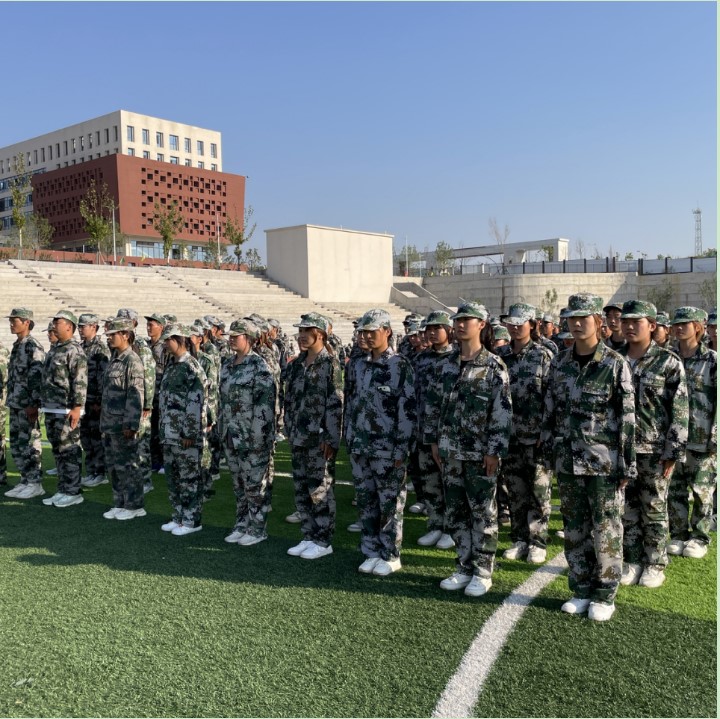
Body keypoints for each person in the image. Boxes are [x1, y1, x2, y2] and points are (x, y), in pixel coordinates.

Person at [541, 293, 636, 622]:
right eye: (572, 318)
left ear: (598, 321)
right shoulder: (559, 363)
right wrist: (547, 454)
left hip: (603, 464)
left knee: (606, 529)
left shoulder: (614, 363)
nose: (578, 323)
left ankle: (605, 594)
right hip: (567, 461)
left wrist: (626, 465)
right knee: (575, 528)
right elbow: (550, 412)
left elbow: (627, 418)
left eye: (584, 317)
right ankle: (580, 588)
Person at [425, 302, 511, 597]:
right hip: (450, 451)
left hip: (479, 454)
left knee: (483, 513)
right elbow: (434, 407)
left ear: (481, 325)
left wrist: (494, 451)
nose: (461, 325)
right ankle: (463, 566)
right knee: (457, 512)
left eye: (468, 320)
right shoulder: (445, 365)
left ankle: (483, 571)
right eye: (458, 320)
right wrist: (434, 442)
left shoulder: (493, 366)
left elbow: (502, 413)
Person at [617, 300, 688, 589]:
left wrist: (674, 451)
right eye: (625, 321)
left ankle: (655, 563)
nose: (629, 326)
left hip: (654, 451)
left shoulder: (668, 362)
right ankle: (632, 560)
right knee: (627, 509)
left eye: (636, 321)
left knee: (654, 509)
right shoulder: (614, 359)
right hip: (621, 450)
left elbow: (680, 409)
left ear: (652, 325)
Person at [345, 309, 416, 576]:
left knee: (390, 504)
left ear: (387, 331)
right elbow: (351, 403)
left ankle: (390, 554)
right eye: (362, 332)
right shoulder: (358, 364)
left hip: (387, 449)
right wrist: (349, 437)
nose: (365, 336)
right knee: (366, 501)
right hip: (360, 446)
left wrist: (402, 449)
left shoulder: (399, 365)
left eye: (371, 331)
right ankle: (371, 550)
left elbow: (407, 411)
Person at [496, 303, 554, 565]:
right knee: (515, 491)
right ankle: (519, 539)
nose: (515, 327)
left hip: (536, 437)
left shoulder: (543, 355)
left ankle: (537, 541)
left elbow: (552, 397)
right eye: (511, 323)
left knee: (539, 492)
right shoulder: (500, 357)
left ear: (532, 325)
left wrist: (546, 430)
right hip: (510, 436)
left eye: (521, 323)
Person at [284, 313, 344, 560]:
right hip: (298, 436)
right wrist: (288, 427)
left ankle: (323, 540)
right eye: (300, 331)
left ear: (319, 334)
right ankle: (308, 535)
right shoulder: (296, 364)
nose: (301, 336)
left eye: (306, 332)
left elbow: (336, 403)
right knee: (301, 489)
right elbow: (289, 400)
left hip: (318, 439)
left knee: (320, 491)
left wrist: (331, 438)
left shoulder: (330, 364)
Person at [219, 319, 276, 546]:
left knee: (254, 485)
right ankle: (242, 524)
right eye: (231, 336)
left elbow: (265, 407)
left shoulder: (259, 366)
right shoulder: (227, 364)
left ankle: (257, 528)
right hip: (231, 434)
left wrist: (258, 438)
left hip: (252, 437)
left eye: (237, 336)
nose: (232, 339)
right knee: (238, 484)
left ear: (250, 339)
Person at [667, 307, 717, 559]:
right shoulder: (667, 357)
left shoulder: (711, 360)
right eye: (676, 323)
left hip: (701, 437)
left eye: (684, 324)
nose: (678, 328)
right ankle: (678, 534)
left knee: (701, 490)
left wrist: (715, 436)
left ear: (697, 327)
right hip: (672, 437)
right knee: (674, 489)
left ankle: (699, 537)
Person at [158, 324, 207, 536]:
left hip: (184, 434)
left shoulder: (191, 366)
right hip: (169, 432)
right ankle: (178, 516)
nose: (165, 344)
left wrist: (189, 432)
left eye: (168, 339)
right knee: (173, 478)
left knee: (189, 479)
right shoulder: (172, 365)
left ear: (180, 340)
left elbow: (196, 401)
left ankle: (191, 520)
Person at [414, 310, 455, 550]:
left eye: (437, 328)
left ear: (449, 330)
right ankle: (435, 524)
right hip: (423, 431)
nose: (431, 332)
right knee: (429, 482)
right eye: (428, 328)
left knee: (449, 483)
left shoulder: (457, 358)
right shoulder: (421, 359)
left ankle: (451, 528)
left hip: (447, 433)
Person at [40, 310, 89, 508]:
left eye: (57, 322)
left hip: (67, 409)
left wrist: (77, 407)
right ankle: (63, 489)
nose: (54, 325)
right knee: (58, 451)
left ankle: (73, 491)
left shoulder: (74, 350)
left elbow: (80, 380)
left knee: (69, 451)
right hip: (52, 407)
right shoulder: (55, 349)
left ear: (69, 326)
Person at [100, 318, 147, 520]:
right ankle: (120, 502)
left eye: (113, 334)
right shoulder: (115, 358)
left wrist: (131, 423)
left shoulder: (132, 361)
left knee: (128, 465)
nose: (110, 338)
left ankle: (134, 505)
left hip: (123, 424)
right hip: (110, 423)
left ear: (126, 335)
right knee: (114, 466)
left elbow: (135, 395)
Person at [4, 308, 46, 499]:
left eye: (15, 321)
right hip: (15, 402)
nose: (11, 324)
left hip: (27, 404)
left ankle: (35, 482)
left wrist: (33, 403)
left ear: (27, 322)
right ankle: (25, 479)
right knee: (17, 443)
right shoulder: (17, 345)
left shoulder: (32, 346)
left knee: (30, 442)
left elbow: (37, 376)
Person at [117, 309, 156, 492]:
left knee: (141, 443)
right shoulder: (119, 344)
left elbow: (148, 375)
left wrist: (146, 403)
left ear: (134, 323)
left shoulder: (140, 345)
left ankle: (145, 481)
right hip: (123, 403)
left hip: (138, 403)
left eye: (125, 320)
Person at [79, 313, 111, 488]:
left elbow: (103, 377)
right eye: (79, 326)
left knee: (96, 438)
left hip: (94, 402)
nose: (80, 329)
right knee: (86, 438)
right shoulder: (81, 347)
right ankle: (91, 471)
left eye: (83, 326)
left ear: (94, 327)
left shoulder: (100, 349)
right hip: (83, 400)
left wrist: (99, 400)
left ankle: (100, 472)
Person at [145, 312, 168, 474]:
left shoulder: (165, 347)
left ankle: (164, 461)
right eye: (147, 325)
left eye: (151, 325)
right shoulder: (145, 347)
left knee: (162, 430)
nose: (148, 327)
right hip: (149, 396)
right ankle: (154, 461)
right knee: (150, 430)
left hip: (161, 395)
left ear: (161, 327)